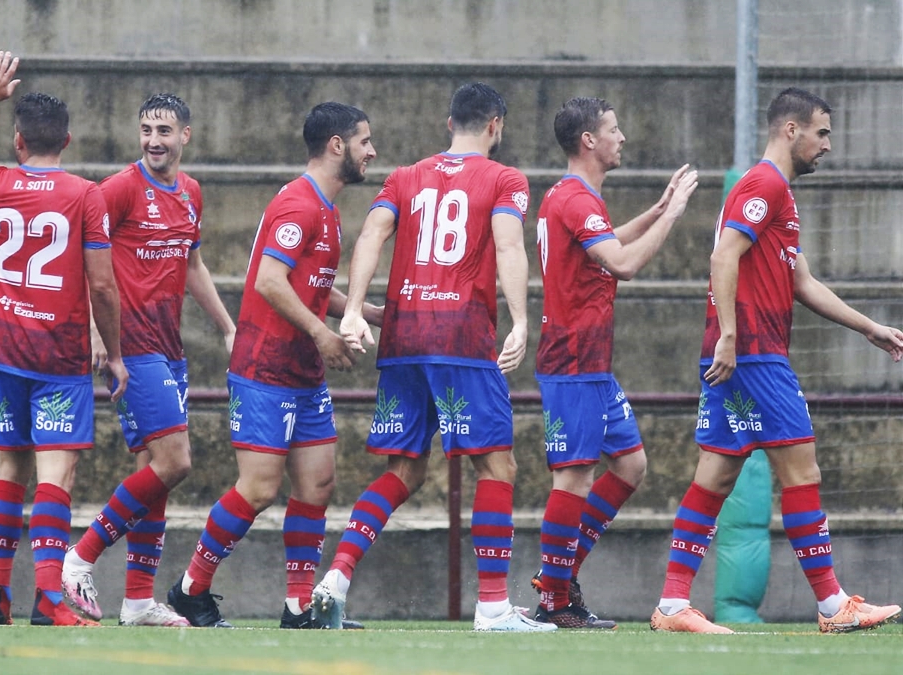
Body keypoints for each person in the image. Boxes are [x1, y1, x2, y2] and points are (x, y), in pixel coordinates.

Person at [650, 87, 903, 634]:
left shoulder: (776, 195)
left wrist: (870, 328)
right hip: (755, 355)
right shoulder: (764, 184)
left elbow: (802, 282)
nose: (828, 145)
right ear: (791, 130)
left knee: (715, 477)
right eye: (822, 132)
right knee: (802, 471)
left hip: (739, 354)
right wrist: (733, 336)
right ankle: (834, 606)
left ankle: (672, 605)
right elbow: (723, 255)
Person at [311, 83, 553, 633]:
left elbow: (372, 233)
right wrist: (519, 318)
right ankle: (493, 606)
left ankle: (336, 579)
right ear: (496, 125)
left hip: (403, 335)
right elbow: (510, 245)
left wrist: (351, 312)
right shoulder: (504, 179)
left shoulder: (404, 176)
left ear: (449, 124)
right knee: (497, 465)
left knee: (405, 469)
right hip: (461, 336)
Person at [0, 51, 128, 627]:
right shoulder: (86, 195)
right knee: (55, 475)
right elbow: (104, 286)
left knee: (11, 471)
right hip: (59, 358)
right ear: (68, 139)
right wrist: (112, 352)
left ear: (17, 140)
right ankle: (50, 599)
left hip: (5, 352)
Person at [163, 102, 380, 629]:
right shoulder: (300, 204)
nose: (371, 151)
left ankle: (298, 606)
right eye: (364, 141)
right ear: (336, 145)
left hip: (302, 371)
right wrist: (322, 333)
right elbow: (267, 281)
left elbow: (309, 282)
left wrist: (364, 310)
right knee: (258, 489)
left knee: (318, 484)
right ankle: (190, 589)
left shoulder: (325, 207)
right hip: (265, 367)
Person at [59, 93, 235, 628]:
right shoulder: (118, 189)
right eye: (146, 130)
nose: (153, 140)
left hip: (169, 345)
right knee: (175, 462)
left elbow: (194, 264)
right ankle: (80, 557)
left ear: (186, 136)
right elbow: (82, 259)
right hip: (132, 345)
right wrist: (96, 331)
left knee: (153, 474)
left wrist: (228, 326)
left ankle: (137, 602)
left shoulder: (191, 192)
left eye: (164, 130)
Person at [529, 97, 698, 629]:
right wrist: (671, 216)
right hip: (573, 358)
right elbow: (622, 263)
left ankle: (559, 578)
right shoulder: (576, 199)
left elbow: (606, 243)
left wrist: (655, 207)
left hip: (593, 363)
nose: (622, 137)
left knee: (630, 466)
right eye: (613, 129)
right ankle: (554, 599)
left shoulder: (580, 199)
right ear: (589, 141)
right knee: (574, 478)